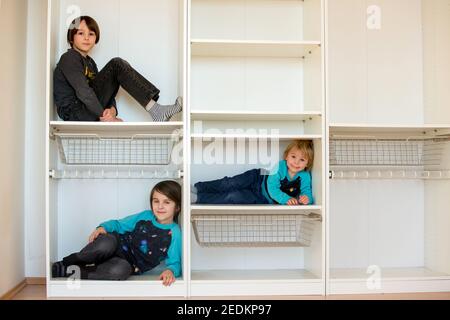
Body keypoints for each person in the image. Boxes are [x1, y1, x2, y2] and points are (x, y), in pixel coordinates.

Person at [52, 181, 182, 286]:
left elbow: (174, 262)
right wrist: (103, 227)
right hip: (116, 244)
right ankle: (67, 262)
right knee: (106, 243)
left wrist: (170, 271)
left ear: (177, 207)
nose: (160, 206)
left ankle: (71, 271)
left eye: (167, 202)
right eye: (156, 201)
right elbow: (119, 224)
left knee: (120, 271)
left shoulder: (174, 233)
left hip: (127, 263)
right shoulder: (145, 216)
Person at [53, 16, 182, 122]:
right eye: (81, 33)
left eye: (91, 34)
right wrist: (105, 117)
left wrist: (112, 112)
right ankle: (157, 111)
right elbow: (84, 92)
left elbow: (107, 91)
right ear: (71, 37)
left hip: (88, 110)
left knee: (116, 69)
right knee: (116, 65)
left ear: (96, 38)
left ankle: (156, 111)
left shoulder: (91, 63)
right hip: (74, 112)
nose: (87, 37)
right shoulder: (69, 58)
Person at [192, 140, 314, 205]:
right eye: (293, 157)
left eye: (302, 160)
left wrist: (306, 199)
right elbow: (272, 188)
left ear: (307, 164)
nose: (296, 162)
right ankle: (199, 188)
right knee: (229, 183)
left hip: (262, 198)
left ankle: (199, 197)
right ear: (286, 156)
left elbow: (306, 191)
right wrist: (286, 199)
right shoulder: (280, 166)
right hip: (257, 178)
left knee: (233, 197)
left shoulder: (304, 176)